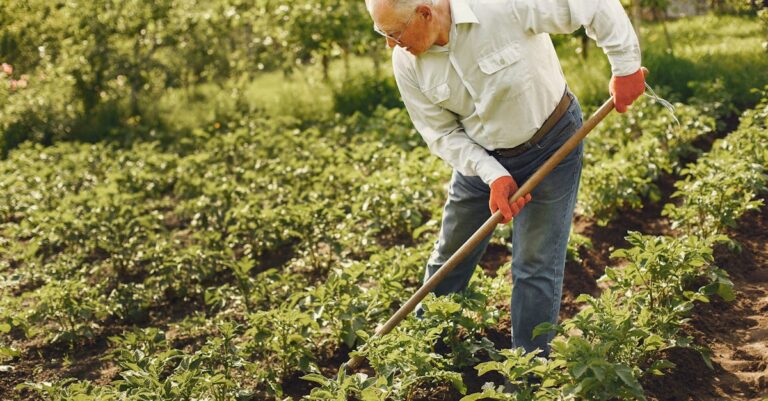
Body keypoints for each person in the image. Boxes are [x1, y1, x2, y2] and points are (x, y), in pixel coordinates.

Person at [364, 0, 645, 358]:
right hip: (480, 161)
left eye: (394, 33)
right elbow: (440, 134)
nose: (391, 44)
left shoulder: (501, 5)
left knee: (535, 265)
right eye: (383, 33)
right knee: (451, 254)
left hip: (551, 143)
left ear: (424, 12)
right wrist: (493, 175)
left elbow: (592, 5)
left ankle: (527, 370)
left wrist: (625, 67)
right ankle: (424, 355)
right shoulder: (407, 63)